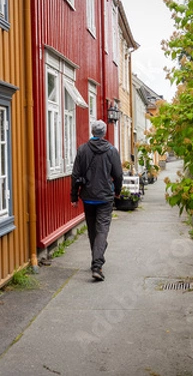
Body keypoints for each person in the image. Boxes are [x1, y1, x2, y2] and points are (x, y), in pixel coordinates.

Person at [71, 120, 123, 281]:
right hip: (105, 197)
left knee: (93, 229)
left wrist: (74, 197)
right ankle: (97, 265)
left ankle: (96, 259)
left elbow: (75, 175)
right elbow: (119, 175)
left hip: (88, 197)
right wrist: (117, 192)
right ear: (104, 133)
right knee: (102, 230)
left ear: (93, 132)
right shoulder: (112, 151)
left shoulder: (82, 150)